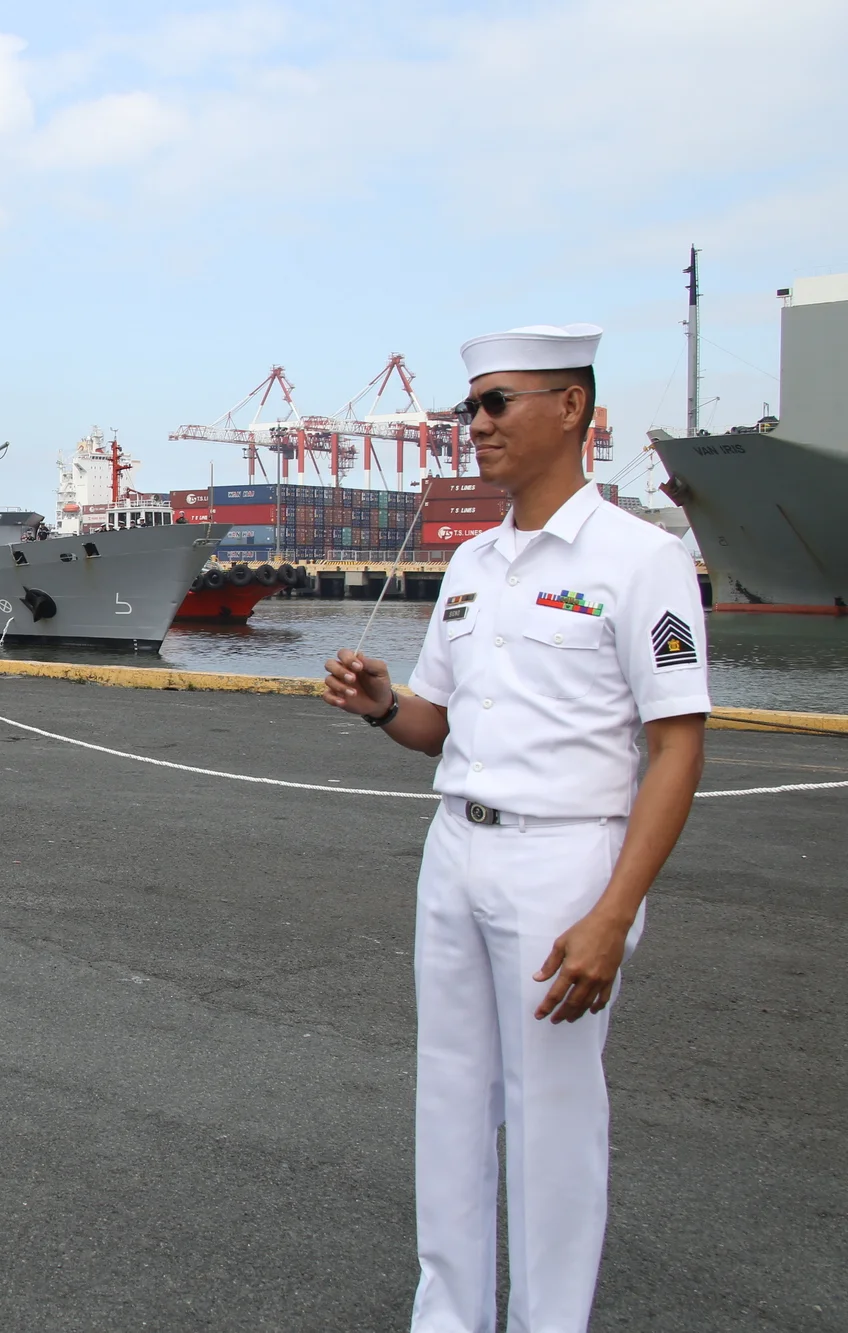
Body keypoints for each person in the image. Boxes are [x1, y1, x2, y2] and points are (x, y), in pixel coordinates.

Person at [322, 323, 709, 1332]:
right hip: (453, 850)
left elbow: (675, 747)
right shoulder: (468, 564)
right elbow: (435, 727)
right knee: (446, 1103)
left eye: (497, 402)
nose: (475, 424)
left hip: (563, 859)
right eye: (469, 406)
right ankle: (446, 1318)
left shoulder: (643, 561)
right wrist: (377, 702)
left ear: (570, 406)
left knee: (550, 1119)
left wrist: (612, 912)